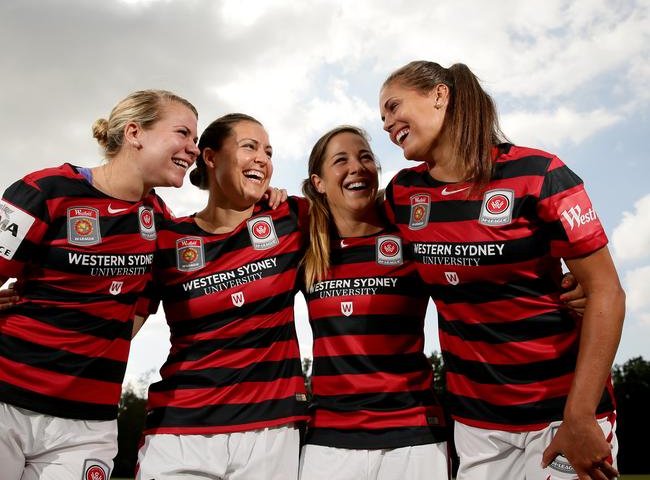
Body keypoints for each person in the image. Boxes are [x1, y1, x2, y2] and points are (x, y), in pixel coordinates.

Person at [379, 61, 625, 480]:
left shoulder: (539, 173)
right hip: (477, 425)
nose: (387, 124)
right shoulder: (401, 195)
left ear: (440, 95)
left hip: (561, 413)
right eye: (381, 118)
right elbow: (341, 221)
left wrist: (580, 415)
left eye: (393, 106)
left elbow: (606, 292)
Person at [0, 89, 200, 480]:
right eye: (183, 133)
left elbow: (144, 302)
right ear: (134, 133)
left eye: (195, 139)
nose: (192, 149)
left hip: (88, 424)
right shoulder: (45, 190)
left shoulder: (160, 220)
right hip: (6, 398)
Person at [135, 113, 309, 480]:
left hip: (271, 428)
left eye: (269, 151)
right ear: (211, 158)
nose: (263, 158)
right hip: (179, 426)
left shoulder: (291, 218)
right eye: (250, 146)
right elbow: (120, 325)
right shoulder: (168, 239)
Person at [298, 125, 450, 480]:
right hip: (329, 441)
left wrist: (570, 286)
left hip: (415, 436)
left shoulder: (411, 239)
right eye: (341, 160)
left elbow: (475, 282)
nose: (357, 167)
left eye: (365, 157)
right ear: (318, 182)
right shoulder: (305, 250)